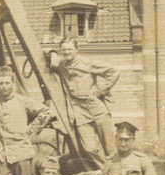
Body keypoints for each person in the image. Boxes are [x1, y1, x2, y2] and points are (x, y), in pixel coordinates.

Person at [46, 37, 119, 165]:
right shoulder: (61, 65)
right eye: (64, 50)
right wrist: (53, 53)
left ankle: (117, 174)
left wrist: (100, 91)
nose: (67, 52)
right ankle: (105, 172)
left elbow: (113, 71)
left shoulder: (88, 63)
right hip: (79, 112)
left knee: (111, 150)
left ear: (77, 49)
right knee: (89, 149)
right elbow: (42, 51)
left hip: (97, 109)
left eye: (70, 49)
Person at [0, 66, 51, 175]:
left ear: (13, 83)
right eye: (1, 83)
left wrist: (31, 129)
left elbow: (45, 111)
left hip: (21, 153)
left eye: (7, 83)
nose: (4, 87)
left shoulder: (22, 101)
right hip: (1, 155)